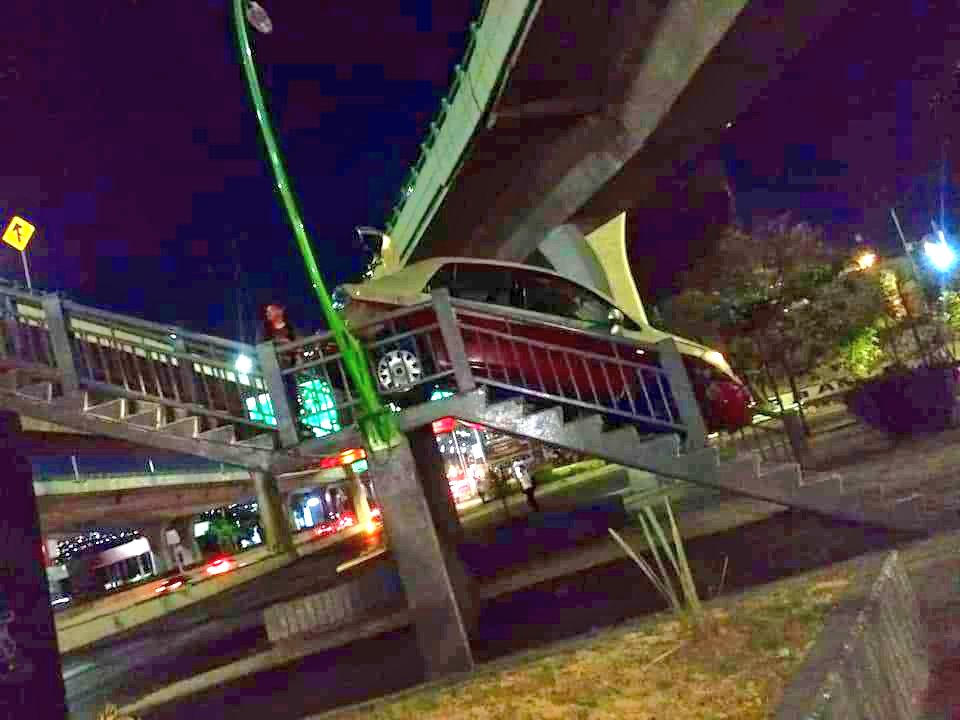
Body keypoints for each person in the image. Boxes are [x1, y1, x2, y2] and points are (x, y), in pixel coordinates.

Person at [257, 303, 311, 440]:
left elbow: (299, 345)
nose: (268, 314)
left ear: (280, 311)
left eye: (271, 311)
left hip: (290, 370)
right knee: (282, 400)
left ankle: (298, 426)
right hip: (275, 371)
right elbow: (261, 347)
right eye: (267, 312)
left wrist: (297, 356)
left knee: (293, 398)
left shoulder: (290, 328)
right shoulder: (265, 330)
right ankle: (288, 429)